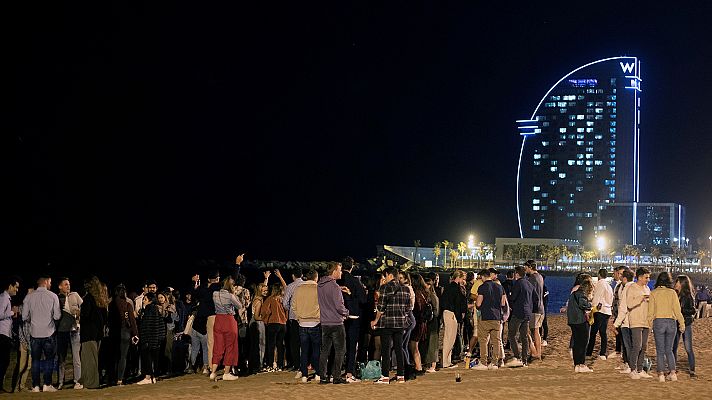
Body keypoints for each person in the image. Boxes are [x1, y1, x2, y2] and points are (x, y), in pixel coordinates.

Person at [371, 267, 410, 384]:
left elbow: (381, 308)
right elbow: (408, 308)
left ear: (389, 275)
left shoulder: (385, 288)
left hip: (387, 323)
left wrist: (375, 320)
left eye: (385, 276)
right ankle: (401, 375)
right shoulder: (405, 289)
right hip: (400, 323)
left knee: (386, 349)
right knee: (399, 348)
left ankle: (385, 376)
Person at [22, 274, 61, 392]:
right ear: (45, 282)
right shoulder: (53, 296)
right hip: (49, 332)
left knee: (35, 360)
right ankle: (47, 384)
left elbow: (24, 316)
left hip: (34, 333)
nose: (51, 284)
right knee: (49, 359)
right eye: (50, 282)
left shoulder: (29, 297)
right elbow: (57, 316)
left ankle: (35, 386)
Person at [647, 272, 685, 383]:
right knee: (669, 350)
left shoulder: (653, 293)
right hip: (671, 322)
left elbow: (650, 312)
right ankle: (673, 374)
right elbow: (678, 311)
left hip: (658, 321)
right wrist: (681, 324)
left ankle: (661, 375)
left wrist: (649, 325)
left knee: (660, 351)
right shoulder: (672, 293)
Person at [317, 262, 350, 384]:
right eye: (340, 270)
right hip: (336, 323)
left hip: (325, 323)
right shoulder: (335, 287)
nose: (341, 273)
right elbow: (338, 306)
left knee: (325, 350)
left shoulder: (320, 285)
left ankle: (323, 376)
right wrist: (346, 312)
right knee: (340, 350)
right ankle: (336, 376)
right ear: (334, 271)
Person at [472, 268, 506, 371]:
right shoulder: (500, 287)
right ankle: (495, 363)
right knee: (496, 341)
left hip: (485, 316)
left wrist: (477, 306)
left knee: (483, 341)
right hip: (497, 317)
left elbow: (478, 303)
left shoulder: (482, 287)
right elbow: (503, 303)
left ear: (483, 276)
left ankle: (483, 362)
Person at [339, 257, 367, 383]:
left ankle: (334, 371)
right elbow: (363, 300)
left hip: (337, 317)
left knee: (337, 346)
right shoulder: (355, 281)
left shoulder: (336, 281)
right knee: (351, 347)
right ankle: (349, 372)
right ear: (352, 267)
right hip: (353, 317)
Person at [210, 276, 242, 381]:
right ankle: (226, 373)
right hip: (229, 320)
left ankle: (213, 372)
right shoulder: (230, 296)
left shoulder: (215, 294)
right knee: (230, 347)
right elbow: (240, 306)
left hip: (218, 320)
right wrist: (235, 295)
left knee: (217, 347)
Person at [79, 276, 108, 389]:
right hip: (97, 334)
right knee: (92, 359)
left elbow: (85, 315)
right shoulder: (101, 300)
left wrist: (79, 313)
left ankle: (91, 383)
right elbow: (104, 318)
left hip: (88, 333)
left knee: (89, 359)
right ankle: (87, 382)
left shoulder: (88, 299)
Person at [291, 269, 320, 383]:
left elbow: (293, 306)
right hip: (315, 322)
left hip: (302, 322)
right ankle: (317, 372)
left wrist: (299, 317)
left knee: (304, 350)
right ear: (316, 278)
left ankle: (304, 374)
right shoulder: (318, 288)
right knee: (316, 350)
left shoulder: (299, 289)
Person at [108, 284, 138, 386]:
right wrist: (135, 334)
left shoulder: (111, 305)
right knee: (123, 357)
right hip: (125, 332)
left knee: (113, 356)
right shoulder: (127, 304)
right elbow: (132, 321)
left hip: (113, 333)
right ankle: (119, 379)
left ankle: (111, 378)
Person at [626, 267, 653, 379]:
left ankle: (640, 369)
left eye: (649, 277)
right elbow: (629, 304)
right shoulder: (632, 288)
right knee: (637, 345)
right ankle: (632, 370)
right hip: (636, 320)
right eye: (646, 277)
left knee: (644, 346)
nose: (648, 280)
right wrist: (641, 298)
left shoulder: (647, 288)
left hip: (646, 321)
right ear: (640, 277)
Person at [505, 266, 534, 367]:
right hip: (527, 312)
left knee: (511, 335)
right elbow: (535, 298)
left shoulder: (518, 283)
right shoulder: (529, 284)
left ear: (516, 274)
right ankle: (524, 359)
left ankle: (517, 357)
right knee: (524, 336)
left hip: (518, 312)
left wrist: (508, 297)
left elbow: (513, 297)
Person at [137, 292, 165, 385]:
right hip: (155, 338)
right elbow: (160, 325)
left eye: (145, 299)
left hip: (149, 338)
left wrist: (146, 339)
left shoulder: (149, 309)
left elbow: (147, 325)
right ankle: (153, 377)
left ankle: (148, 377)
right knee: (154, 359)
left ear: (150, 300)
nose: (143, 301)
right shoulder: (155, 308)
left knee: (147, 357)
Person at [567, 274, 593, 373]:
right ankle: (581, 364)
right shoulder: (581, 294)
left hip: (573, 321)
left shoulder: (574, 294)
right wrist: (591, 305)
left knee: (576, 344)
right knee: (583, 343)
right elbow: (584, 305)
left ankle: (576, 364)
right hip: (580, 321)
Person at [441, 270, 466, 369]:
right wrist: (458, 315)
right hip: (451, 314)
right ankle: (445, 362)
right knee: (449, 338)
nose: (463, 280)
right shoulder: (454, 288)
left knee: (450, 338)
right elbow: (457, 303)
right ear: (458, 278)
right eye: (462, 278)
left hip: (449, 313)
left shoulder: (450, 287)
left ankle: (447, 361)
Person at [586, 269, 613, 360]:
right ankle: (602, 352)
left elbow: (596, 298)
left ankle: (589, 352)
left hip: (600, 311)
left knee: (593, 332)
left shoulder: (600, 284)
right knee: (603, 332)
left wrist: (592, 308)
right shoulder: (609, 286)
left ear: (599, 275)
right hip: (607, 311)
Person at [672, 275, 696, 377]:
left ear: (682, 284)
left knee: (688, 348)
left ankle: (692, 369)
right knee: (673, 347)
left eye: (677, 282)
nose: (675, 284)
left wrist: (680, 311)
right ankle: (673, 368)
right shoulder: (674, 294)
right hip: (675, 323)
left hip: (686, 324)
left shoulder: (688, 296)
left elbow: (693, 310)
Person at [260, 283, 287, 372]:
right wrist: (285, 319)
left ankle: (270, 364)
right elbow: (287, 310)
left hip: (273, 323)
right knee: (280, 345)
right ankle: (280, 365)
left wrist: (266, 320)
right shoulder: (283, 300)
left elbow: (265, 311)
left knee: (271, 345)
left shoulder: (270, 299)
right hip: (282, 324)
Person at [282, 269, 304, 375]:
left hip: (294, 317)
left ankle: (296, 364)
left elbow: (285, 303)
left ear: (293, 276)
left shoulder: (290, 286)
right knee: (305, 341)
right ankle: (306, 363)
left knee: (294, 342)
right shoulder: (306, 285)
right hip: (306, 317)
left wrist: (290, 309)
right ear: (302, 275)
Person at [613, 268, 634, 374]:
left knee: (628, 344)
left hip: (626, 320)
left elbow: (623, 307)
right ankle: (627, 363)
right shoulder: (621, 286)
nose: (619, 276)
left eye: (621, 274)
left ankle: (630, 365)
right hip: (623, 318)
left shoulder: (627, 287)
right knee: (626, 343)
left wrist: (616, 323)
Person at [0, 276, 20, 393]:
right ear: (10, 286)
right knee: (3, 360)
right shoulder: (3, 298)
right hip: (2, 335)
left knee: (4, 361)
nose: (17, 290)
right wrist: (13, 312)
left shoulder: (5, 298)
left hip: (5, 334)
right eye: (16, 287)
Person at [11, 288, 33, 392]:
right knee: (22, 364)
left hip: (31, 340)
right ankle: (16, 387)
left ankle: (22, 386)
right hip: (24, 340)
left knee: (28, 365)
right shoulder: (23, 307)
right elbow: (14, 311)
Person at [524, 260, 545, 363]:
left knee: (528, 331)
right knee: (536, 331)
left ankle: (534, 352)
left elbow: (529, 294)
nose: (525, 270)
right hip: (541, 308)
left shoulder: (531, 278)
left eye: (526, 268)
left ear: (530, 267)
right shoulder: (540, 277)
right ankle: (538, 353)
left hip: (534, 308)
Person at [409, 274, 429, 375]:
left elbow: (417, 308)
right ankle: (418, 366)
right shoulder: (424, 292)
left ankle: (418, 367)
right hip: (422, 322)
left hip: (417, 322)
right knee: (415, 345)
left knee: (414, 346)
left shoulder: (416, 294)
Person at [249, 279, 268, 373]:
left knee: (255, 345)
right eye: (264, 291)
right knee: (260, 345)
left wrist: (266, 279)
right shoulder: (259, 301)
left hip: (253, 323)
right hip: (257, 323)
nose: (266, 292)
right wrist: (265, 319)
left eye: (266, 290)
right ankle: (258, 365)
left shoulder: (256, 298)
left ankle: (255, 365)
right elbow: (256, 316)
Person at [421, 276, 440, 373]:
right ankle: (429, 364)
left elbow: (436, 312)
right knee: (428, 344)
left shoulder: (432, 296)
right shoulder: (428, 295)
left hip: (432, 322)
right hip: (429, 322)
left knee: (433, 343)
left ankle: (433, 365)